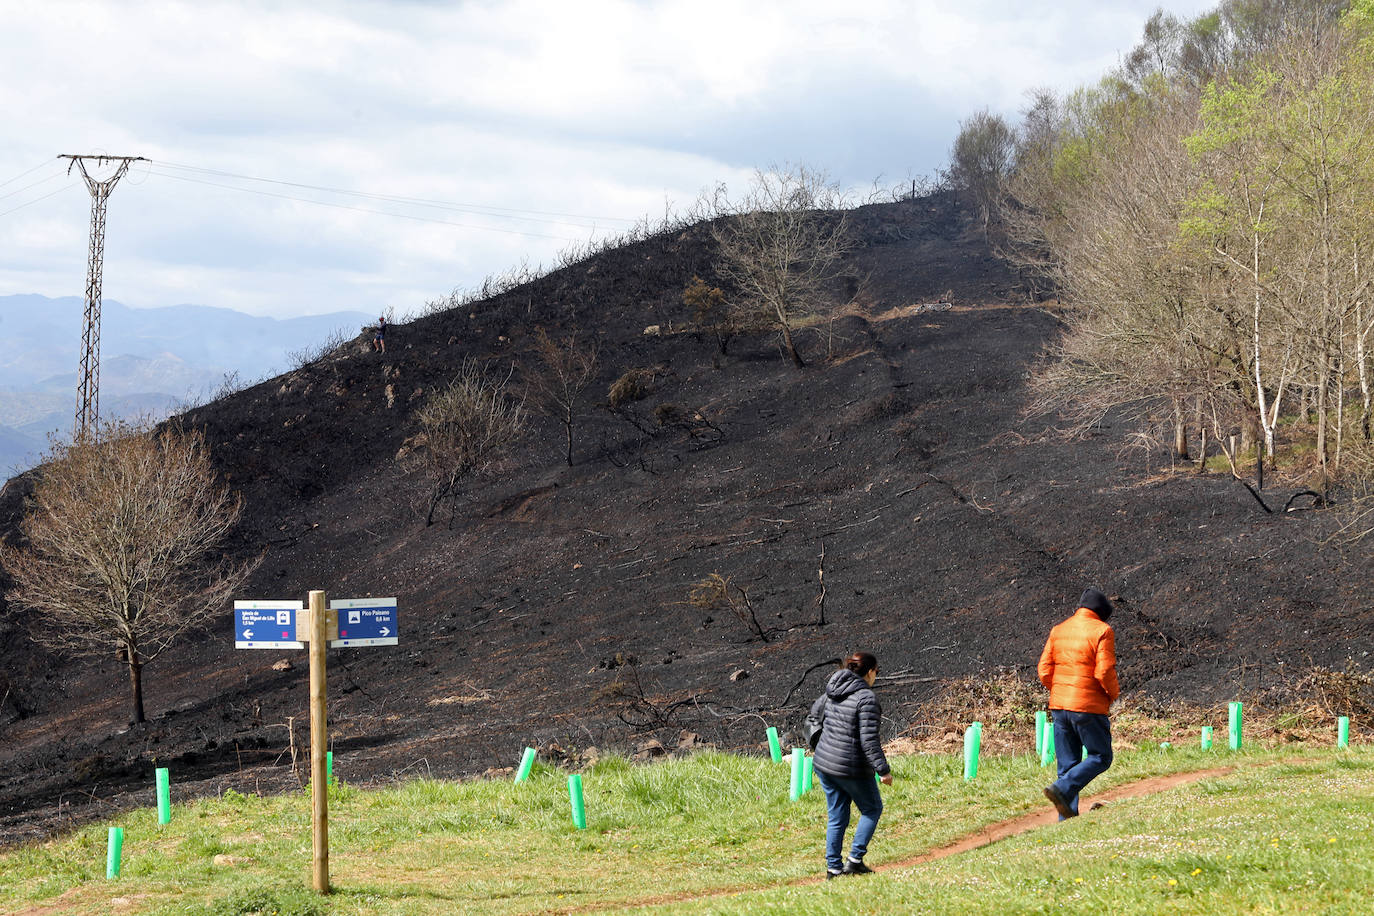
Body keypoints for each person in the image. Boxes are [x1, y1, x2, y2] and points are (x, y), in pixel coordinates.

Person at [1038, 587, 1120, 820]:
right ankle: (1062, 789)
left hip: (1059, 706)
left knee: (1067, 765)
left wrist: (1061, 690)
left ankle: (1067, 819)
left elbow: (1044, 669)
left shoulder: (1059, 629)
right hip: (1087, 706)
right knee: (1100, 756)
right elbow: (1104, 671)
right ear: (1101, 613)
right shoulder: (1103, 630)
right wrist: (1112, 694)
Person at [810, 652, 893, 879]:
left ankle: (833, 869)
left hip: (825, 764)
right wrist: (883, 770)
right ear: (869, 671)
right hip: (851, 768)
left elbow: (815, 716)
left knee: (837, 816)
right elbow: (869, 740)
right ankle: (855, 861)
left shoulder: (834, 688)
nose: (877, 675)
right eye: (877, 671)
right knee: (872, 809)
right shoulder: (866, 699)